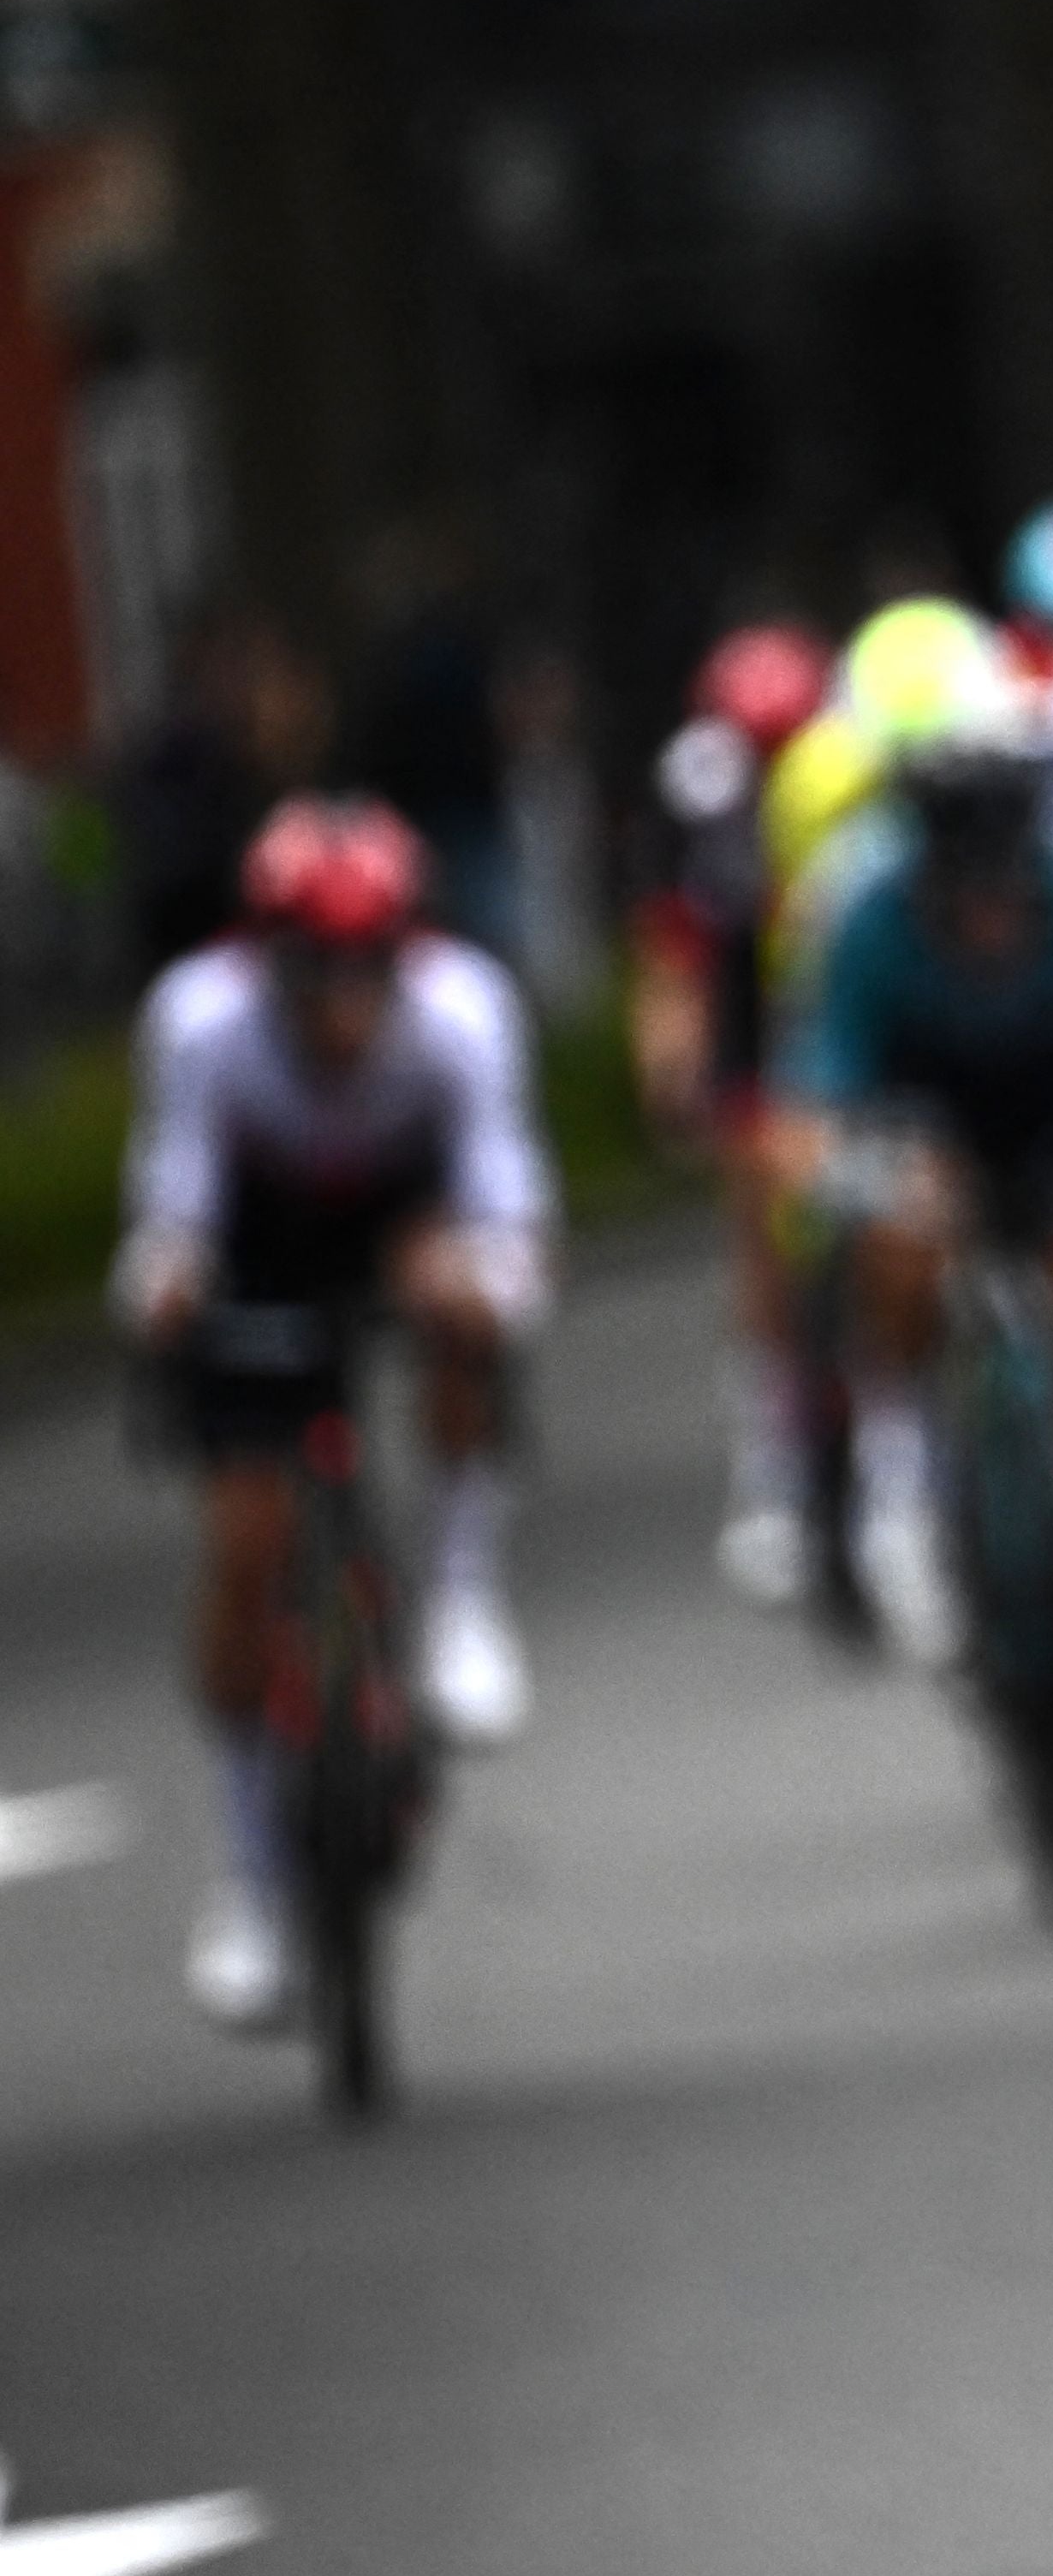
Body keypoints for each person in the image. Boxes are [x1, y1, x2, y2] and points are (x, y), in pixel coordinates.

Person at [118, 799, 557, 2030]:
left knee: (462, 1327)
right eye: (316, 978)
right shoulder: (203, 1024)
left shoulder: (463, 1015)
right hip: (259, 1245)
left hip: (405, 1223)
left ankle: (463, 1597)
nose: (344, 1010)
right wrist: (167, 1294)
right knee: (248, 1551)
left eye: (370, 975)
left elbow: (509, 1199)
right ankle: (256, 1880)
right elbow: (176, 1209)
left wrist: (484, 1284)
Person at [769, 711, 1053, 1724]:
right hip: (923, 1126)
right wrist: (869, 1176)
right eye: (966, 888)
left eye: (1008, 884)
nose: (991, 913)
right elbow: (811, 1107)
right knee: (896, 1247)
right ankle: (907, 1479)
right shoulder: (855, 905)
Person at [636, 620, 842, 1603]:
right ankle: (775, 1467)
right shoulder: (696, 794)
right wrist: (671, 1046)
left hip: (843, 994)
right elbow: (674, 944)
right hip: (751, 1011)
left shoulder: (858, 771)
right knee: (760, 1223)